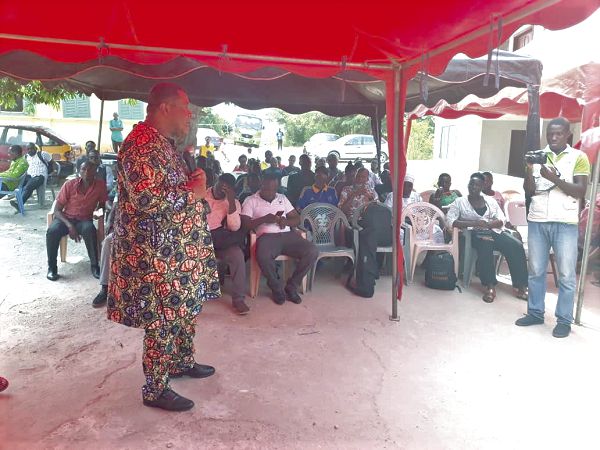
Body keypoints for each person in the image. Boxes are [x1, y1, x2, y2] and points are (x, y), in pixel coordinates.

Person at [106, 83, 220, 412]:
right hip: (156, 254)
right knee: (162, 318)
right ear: (165, 108)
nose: (190, 115)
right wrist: (193, 194)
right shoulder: (141, 145)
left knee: (183, 309)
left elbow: (167, 187)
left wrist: (192, 181)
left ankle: (181, 362)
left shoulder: (164, 145)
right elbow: (146, 200)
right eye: (185, 108)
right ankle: (155, 387)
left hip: (177, 252)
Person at [515, 118, 590, 338]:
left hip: (565, 223)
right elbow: (529, 191)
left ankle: (564, 320)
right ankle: (535, 312)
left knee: (566, 274)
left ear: (568, 134)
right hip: (538, 220)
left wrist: (553, 178)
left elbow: (580, 191)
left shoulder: (579, 157)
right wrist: (530, 169)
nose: (554, 138)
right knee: (536, 271)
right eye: (550, 134)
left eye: (558, 134)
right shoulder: (537, 155)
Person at [447, 172, 528, 303]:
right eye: (471, 184)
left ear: (482, 186)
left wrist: (490, 224)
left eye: (476, 185)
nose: (473, 187)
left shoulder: (490, 201)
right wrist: (474, 223)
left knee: (516, 246)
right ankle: (489, 286)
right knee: (486, 244)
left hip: (493, 231)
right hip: (473, 234)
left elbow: (502, 218)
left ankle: (521, 286)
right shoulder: (460, 202)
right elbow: (450, 220)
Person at [241, 173, 318, 304]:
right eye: (267, 189)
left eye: (274, 189)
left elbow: (297, 218)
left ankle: (292, 286)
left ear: (277, 187)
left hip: (288, 235)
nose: (271, 192)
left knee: (312, 251)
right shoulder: (251, 200)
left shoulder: (282, 198)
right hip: (267, 237)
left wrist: (286, 222)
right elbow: (245, 225)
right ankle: (276, 287)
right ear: (261, 185)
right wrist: (264, 219)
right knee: (263, 256)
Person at [46, 161, 107, 281]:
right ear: (79, 170)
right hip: (66, 219)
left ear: (96, 171)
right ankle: (52, 268)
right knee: (52, 232)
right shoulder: (69, 184)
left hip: (84, 219)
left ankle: (95, 266)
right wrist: (70, 226)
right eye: (84, 169)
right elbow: (57, 210)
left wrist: (99, 212)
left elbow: (103, 204)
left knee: (90, 230)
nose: (86, 172)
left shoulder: (100, 185)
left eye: (90, 170)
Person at [206, 173, 249, 315]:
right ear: (216, 181)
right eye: (220, 186)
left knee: (237, 255)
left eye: (226, 189)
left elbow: (235, 227)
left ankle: (238, 300)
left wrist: (230, 202)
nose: (221, 191)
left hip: (222, 241)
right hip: (200, 238)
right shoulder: (202, 195)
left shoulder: (234, 202)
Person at [10, 143, 51, 210]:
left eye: (31, 148)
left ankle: (19, 204)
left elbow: (52, 162)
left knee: (28, 186)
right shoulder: (26, 156)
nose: (29, 150)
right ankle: (18, 200)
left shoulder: (42, 154)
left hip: (40, 176)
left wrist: (54, 171)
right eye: (28, 149)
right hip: (29, 176)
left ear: (35, 148)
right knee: (18, 184)